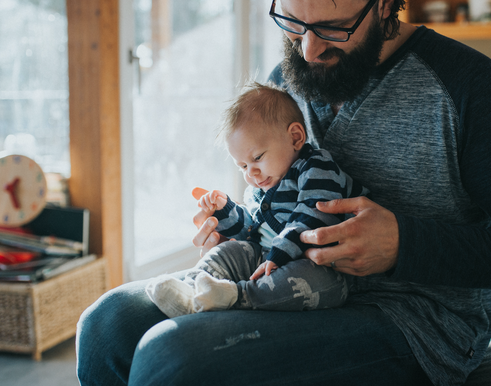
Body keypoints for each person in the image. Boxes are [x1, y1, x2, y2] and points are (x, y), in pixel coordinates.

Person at [76, 0, 491, 385]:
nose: (309, 49)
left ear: (384, 1)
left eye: (333, 28)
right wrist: (234, 221)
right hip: (282, 285)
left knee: (174, 360)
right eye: (292, 19)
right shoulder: (281, 85)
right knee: (106, 325)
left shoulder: (473, 88)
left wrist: (404, 244)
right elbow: (271, 206)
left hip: (415, 319)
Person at [145, 82, 367, 317]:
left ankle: (236, 296)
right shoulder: (259, 189)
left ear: (295, 137)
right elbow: (251, 232)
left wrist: (278, 255)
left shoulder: (317, 167)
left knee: (304, 281)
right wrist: (225, 211)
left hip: (322, 266)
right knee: (227, 253)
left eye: (257, 158)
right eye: (242, 166)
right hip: (265, 260)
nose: (251, 173)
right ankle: (190, 290)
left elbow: (313, 216)